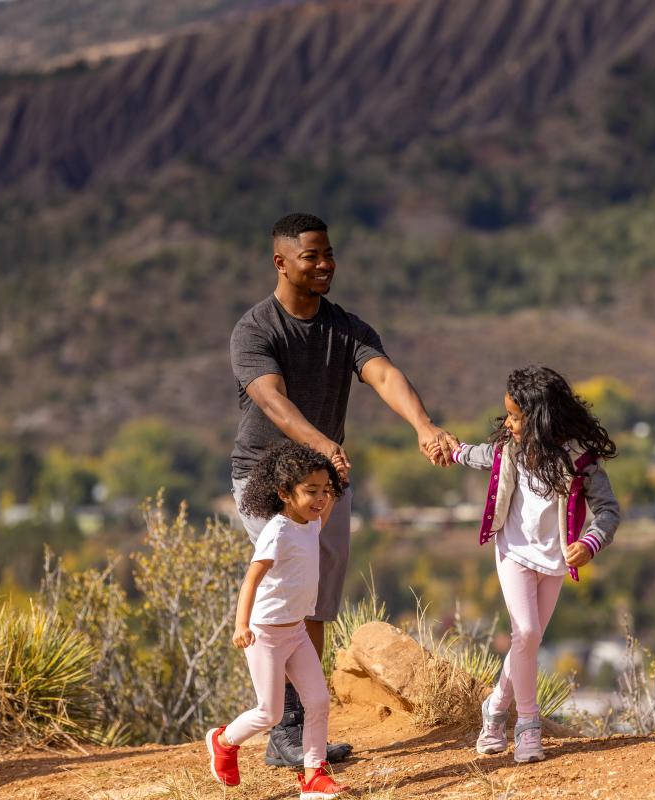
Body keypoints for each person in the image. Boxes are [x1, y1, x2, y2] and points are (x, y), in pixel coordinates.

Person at [230, 212, 459, 767]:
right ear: (281, 262)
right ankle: (282, 729)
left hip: (323, 486)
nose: (325, 264)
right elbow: (274, 403)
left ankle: (300, 730)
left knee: (315, 601)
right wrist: (323, 447)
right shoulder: (256, 330)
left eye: (329, 253)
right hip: (266, 481)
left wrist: (423, 426)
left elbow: (382, 374)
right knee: (285, 591)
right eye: (311, 255)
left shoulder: (346, 327)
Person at [438, 365, 621, 763]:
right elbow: (479, 454)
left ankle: (492, 709)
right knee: (526, 630)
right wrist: (451, 450)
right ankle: (527, 725)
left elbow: (608, 511)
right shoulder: (510, 448)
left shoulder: (579, 460)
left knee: (527, 640)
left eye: (516, 417)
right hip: (513, 552)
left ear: (540, 419)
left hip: (554, 561)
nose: (508, 423)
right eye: (508, 414)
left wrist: (591, 543)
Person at [206, 441, 353, 798]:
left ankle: (314, 776)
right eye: (310, 491)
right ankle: (224, 741)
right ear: (285, 493)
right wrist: (241, 625)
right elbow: (251, 579)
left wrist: (339, 482)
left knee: (317, 702)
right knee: (269, 713)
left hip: (297, 632)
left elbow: (324, 512)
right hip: (265, 636)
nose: (320, 498)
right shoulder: (278, 531)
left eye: (324, 490)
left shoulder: (309, 523)